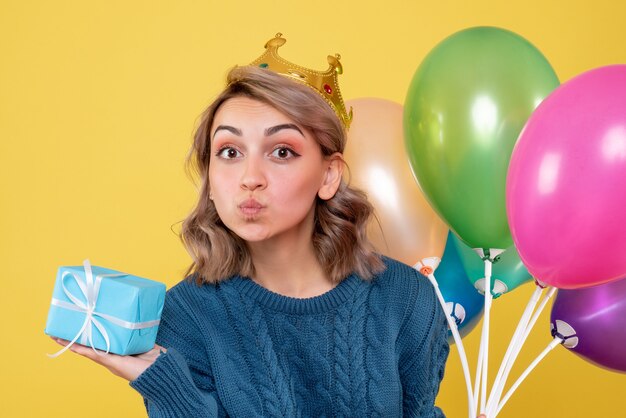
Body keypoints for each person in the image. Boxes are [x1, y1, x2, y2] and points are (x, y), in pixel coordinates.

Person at [54, 34, 449, 417]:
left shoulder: (407, 298)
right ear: (210, 179)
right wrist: (165, 384)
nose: (250, 177)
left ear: (329, 175)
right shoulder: (185, 316)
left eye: (281, 151)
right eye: (229, 152)